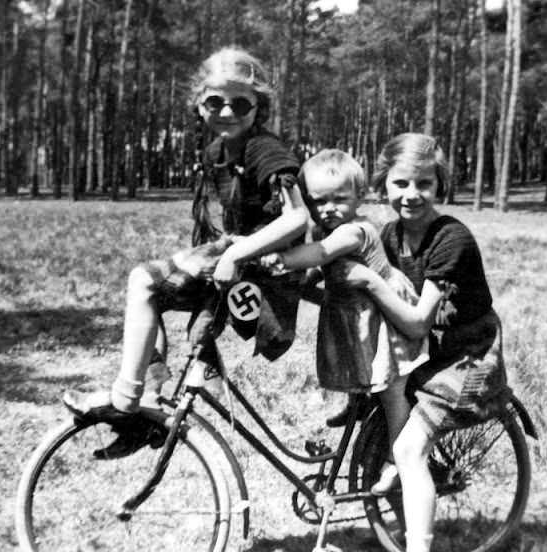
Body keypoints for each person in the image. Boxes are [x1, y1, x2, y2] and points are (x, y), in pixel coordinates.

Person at [63, 47, 309, 427]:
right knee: (150, 295)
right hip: (241, 255)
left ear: (258, 107)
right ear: (199, 105)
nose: (227, 112)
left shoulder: (264, 149)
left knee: (143, 280)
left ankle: (127, 397)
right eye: (215, 102)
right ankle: (148, 397)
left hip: (265, 265)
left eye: (240, 105)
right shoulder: (217, 151)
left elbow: (297, 219)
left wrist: (234, 255)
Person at [336, 133, 510, 552]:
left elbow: (415, 323)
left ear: (440, 186)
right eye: (400, 184)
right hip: (426, 355)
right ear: (383, 185)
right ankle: (405, 516)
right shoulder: (390, 236)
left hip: (469, 358)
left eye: (424, 184)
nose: (411, 195)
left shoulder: (451, 238)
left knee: (410, 448)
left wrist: (369, 282)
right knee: (378, 422)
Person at [261, 149, 428, 495]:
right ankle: (358, 402)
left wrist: (279, 257)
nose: (329, 208)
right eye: (319, 201)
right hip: (358, 318)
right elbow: (315, 274)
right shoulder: (327, 229)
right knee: (368, 375)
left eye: (340, 199)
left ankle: (400, 459)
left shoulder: (354, 231)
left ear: (360, 197)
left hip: (386, 319)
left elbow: (321, 255)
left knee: (392, 391)